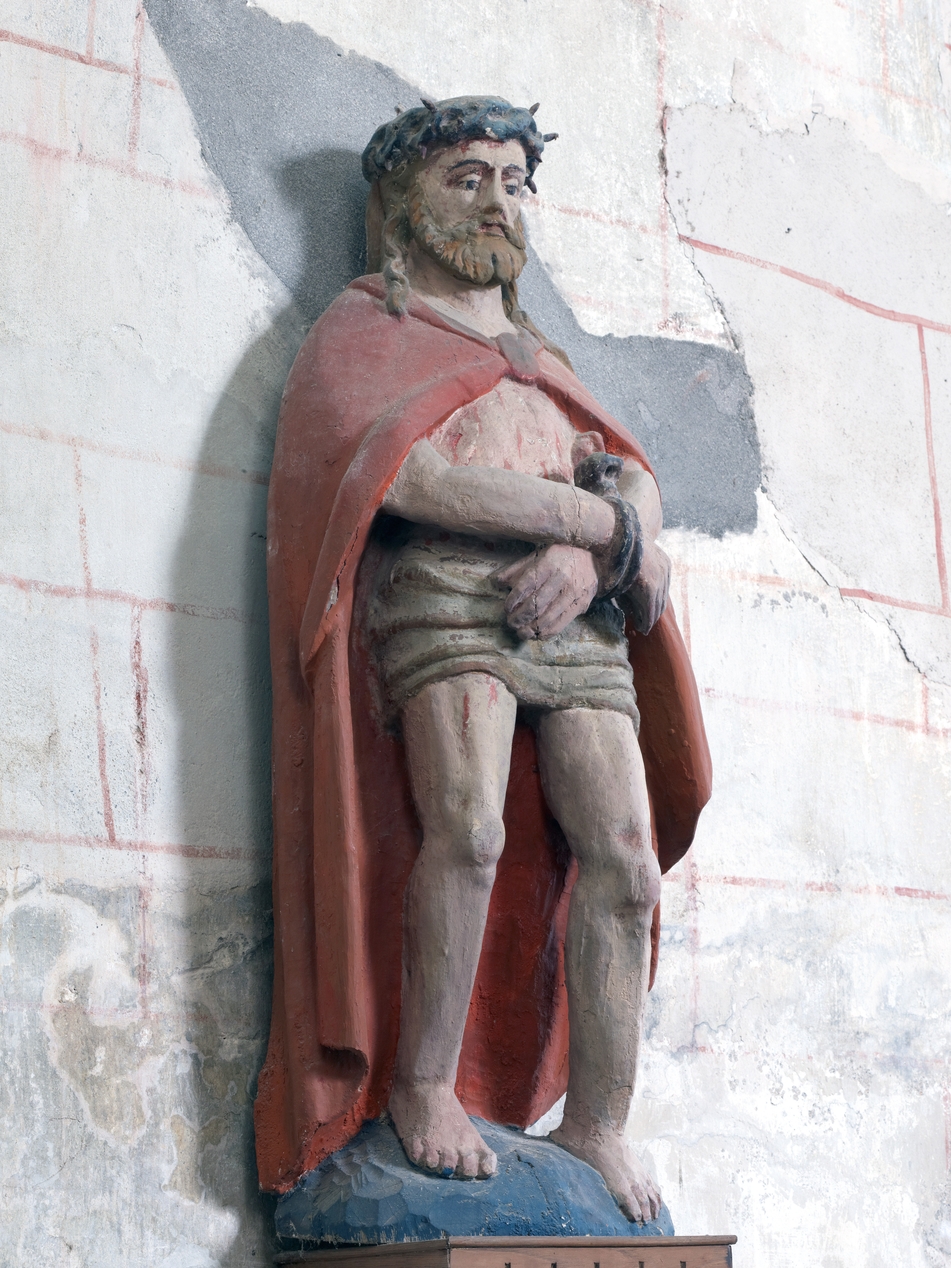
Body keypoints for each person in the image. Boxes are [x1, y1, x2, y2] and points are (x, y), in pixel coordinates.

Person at [254, 97, 711, 1227]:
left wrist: (596, 548)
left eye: (513, 182)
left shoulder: (538, 354)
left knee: (624, 861)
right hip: (449, 596)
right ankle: (421, 1085)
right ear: (403, 204)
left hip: (578, 613)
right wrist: (596, 526)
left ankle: (597, 1118)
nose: (497, 202)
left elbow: (632, 475)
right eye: (467, 178)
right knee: (466, 831)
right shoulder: (369, 326)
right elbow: (404, 476)